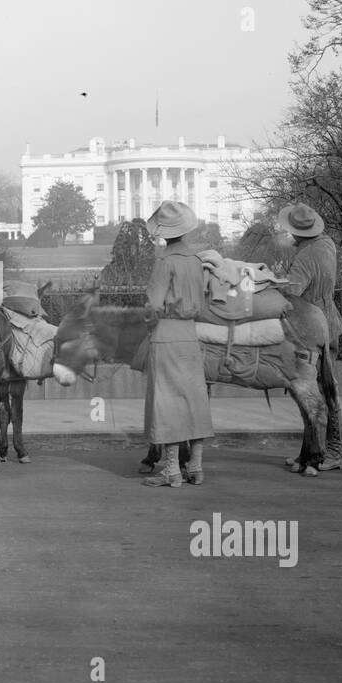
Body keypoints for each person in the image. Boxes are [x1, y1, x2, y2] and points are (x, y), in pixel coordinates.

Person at [140, 201, 213, 488]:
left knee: (168, 401)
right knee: (194, 399)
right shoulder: (195, 260)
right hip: (189, 335)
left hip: (166, 333)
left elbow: (153, 305)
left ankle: (171, 469)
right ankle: (196, 466)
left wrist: (147, 325)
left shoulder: (164, 261)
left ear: (163, 233)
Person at [278, 202, 342, 470]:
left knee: (317, 391)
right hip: (331, 322)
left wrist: (275, 282)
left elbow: (292, 292)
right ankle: (311, 451)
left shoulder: (305, 257)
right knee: (322, 389)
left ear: (298, 232)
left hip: (311, 329)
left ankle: (334, 451)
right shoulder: (327, 244)